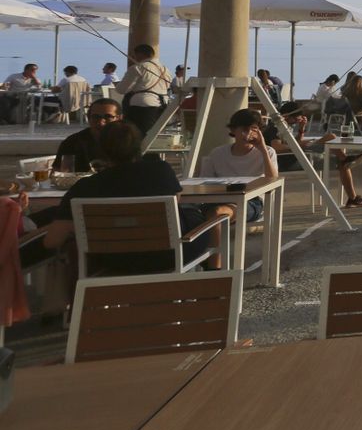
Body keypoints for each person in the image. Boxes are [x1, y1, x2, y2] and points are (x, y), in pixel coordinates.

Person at [29, 121, 226, 273]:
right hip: (168, 255)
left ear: (102, 151)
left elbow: (52, 242)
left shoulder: (85, 188)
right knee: (192, 213)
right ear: (139, 146)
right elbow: (175, 202)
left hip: (110, 259)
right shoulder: (161, 171)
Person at [265, 103, 362, 208]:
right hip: (289, 161)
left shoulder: (285, 126)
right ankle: (352, 192)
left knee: (332, 141)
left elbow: (294, 142)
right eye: (297, 117)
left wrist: (302, 129)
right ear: (287, 116)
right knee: (331, 141)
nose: (299, 119)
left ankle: (345, 161)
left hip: (295, 156)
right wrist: (301, 144)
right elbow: (277, 147)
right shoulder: (275, 128)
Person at [200, 109, 279, 227]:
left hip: (252, 201)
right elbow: (203, 183)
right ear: (233, 130)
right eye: (244, 130)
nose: (249, 134)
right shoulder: (217, 153)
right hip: (219, 197)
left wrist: (262, 148)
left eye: (254, 130)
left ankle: (213, 244)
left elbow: (272, 180)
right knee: (187, 210)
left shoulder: (267, 152)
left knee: (218, 213)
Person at [116, 44, 171, 136]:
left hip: (142, 106)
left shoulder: (138, 68)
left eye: (135, 55)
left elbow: (122, 89)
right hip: (163, 105)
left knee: (137, 134)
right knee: (154, 135)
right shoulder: (166, 70)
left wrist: (118, 85)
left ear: (140, 54)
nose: (134, 57)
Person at [53, 96, 121, 172]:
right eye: (96, 117)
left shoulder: (127, 142)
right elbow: (60, 175)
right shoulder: (72, 143)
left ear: (119, 119)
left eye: (108, 117)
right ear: (89, 118)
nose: (101, 122)